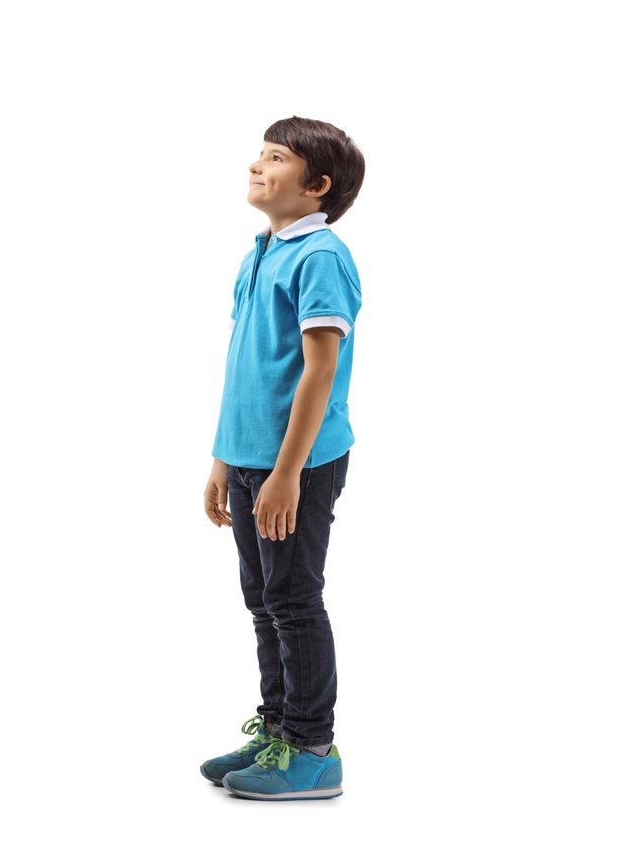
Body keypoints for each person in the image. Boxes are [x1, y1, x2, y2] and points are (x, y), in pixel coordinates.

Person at [198, 117, 365, 801]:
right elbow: (245, 367)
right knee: (263, 600)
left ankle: (311, 747)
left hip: (293, 466)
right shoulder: (261, 249)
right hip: (248, 459)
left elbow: (319, 371)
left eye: (277, 158)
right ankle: (277, 729)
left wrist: (287, 473)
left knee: (294, 600)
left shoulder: (319, 255)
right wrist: (221, 459)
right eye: (260, 153)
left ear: (318, 187)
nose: (257, 165)